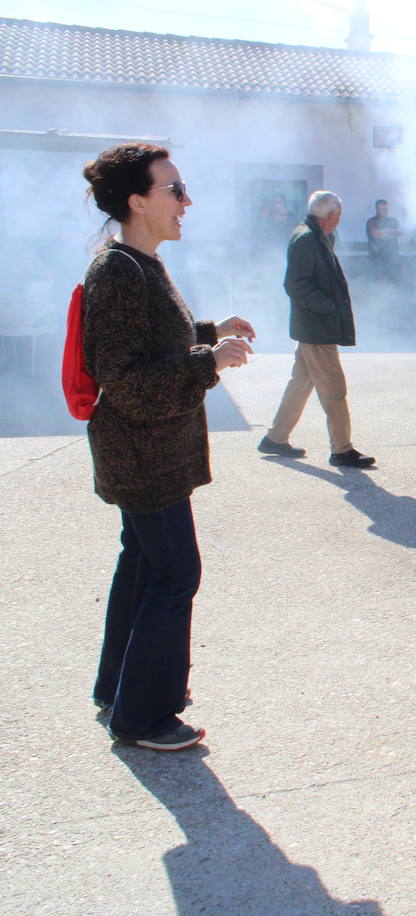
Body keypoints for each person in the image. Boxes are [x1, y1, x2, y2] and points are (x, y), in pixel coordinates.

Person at [80, 142, 255, 751]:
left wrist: (211, 332)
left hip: (150, 452)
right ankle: (144, 717)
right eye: (174, 190)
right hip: (142, 454)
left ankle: (121, 688)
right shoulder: (120, 273)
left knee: (145, 564)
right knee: (176, 573)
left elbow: (156, 340)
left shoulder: (139, 263)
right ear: (137, 201)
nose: (187, 201)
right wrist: (210, 362)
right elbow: (127, 380)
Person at [259, 191, 375, 468]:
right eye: (338, 216)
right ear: (331, 215)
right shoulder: (307, 238)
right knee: (334, 390)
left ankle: (276, 438)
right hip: (316, 327)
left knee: (299, 384)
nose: (339, 221)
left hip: (312, 326)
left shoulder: (314, 235)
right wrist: (329, 307)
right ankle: (341, 449)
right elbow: (294, 284)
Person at [364, 199, 402, 278]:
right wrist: (391, 233)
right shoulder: (371, 221)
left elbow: (401, 231)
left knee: (394, 280)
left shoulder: (393, 220)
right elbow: (375, 234)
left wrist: (384, 232)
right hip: (377, 258)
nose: (385, 211)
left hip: (393, 259)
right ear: (377, 209)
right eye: (382, 209)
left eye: (386, 209)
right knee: (378, 281)